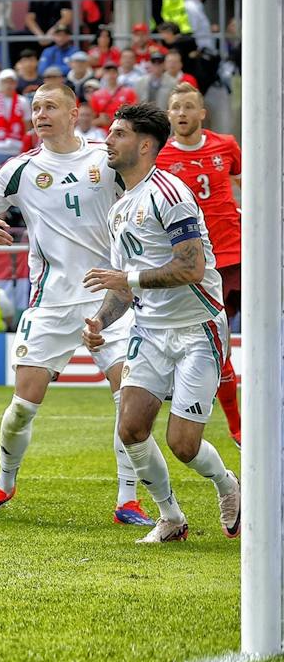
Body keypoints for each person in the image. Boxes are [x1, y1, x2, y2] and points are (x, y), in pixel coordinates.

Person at [0, 83, 149, 526]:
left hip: (112, 298)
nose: (41, 114)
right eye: (35, 108)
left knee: (130, 400)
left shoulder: (107, 156)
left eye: (51, 106)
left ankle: (128, 499)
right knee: (23, 405)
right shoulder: (20, 170)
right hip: (51, 301)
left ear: (74, 112)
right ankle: (4, 483)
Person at [81, 104, 239, 544]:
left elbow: (191, 267)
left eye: (118, 134)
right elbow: (123, 286)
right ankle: (171, 518)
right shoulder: (120, 207)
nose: (107, 141)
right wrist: (99, 319)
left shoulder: (169, 194)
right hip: (149, 331)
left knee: (184, 444)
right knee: (131, 428)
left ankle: (227, 484)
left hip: (196, 330)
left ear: (145, 145)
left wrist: (125, 278)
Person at [156, 86, 242, 446]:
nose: (182, 113)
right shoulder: (159, 157)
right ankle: (238, 428)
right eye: (176, 107)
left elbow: (243, 180)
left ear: (202, 113)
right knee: (218, 345)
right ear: (169, 115)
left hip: (237, 253)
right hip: (198, 265)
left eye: (188, 106)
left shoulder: (226, 145)